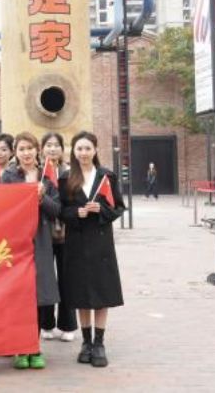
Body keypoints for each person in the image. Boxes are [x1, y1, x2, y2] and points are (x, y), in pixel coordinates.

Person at [58, 131, 124, 368]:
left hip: (100, 243)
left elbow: (118, 207)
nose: (83, 153)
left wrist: (101, 210)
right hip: (76, 242)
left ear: (95, 150)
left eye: (87, 148)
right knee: (81, 294)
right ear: (73, 151)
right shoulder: (66, 178)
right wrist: (76, 213)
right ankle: (85, 342)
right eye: (79, 149)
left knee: (102, 293)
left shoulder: (107, 176)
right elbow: (60, 210)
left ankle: (99, 343)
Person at [2, 132, 61, 371]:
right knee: (19, 296)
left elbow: (57, 210)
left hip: (42, 240)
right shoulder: (9, 176)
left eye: (30, 148)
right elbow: (2, 208)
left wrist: (42, 197)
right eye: (21, 149)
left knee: (38, 295)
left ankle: (34, 347)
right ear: (15, 152)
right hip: (16, 242)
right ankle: (20, 347)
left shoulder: (47, 176)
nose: (26, 153)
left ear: (37, 150)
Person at [38, 132, 77, 343]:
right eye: (48, 145)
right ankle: (46, 324)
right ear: (42, 149)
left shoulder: (69, 173)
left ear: (62, 149)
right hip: (43, 234)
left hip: (66, 234)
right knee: (45, 280)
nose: (52, 149)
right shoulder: (38, 173)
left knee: (66, 279)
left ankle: (68, 325)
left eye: (56, 145)